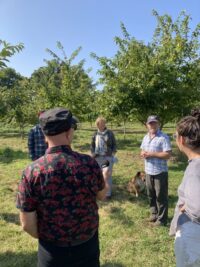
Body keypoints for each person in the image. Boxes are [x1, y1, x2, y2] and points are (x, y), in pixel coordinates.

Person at [16, 107, 109, 267]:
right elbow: (101, 195)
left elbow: (27, 225)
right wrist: (105, 176)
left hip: (51, 252)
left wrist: (51, 238)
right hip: (87, 247)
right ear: (69, 132)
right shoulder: (89, 163)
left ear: (45, 135)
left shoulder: (32, 171)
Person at [170, 109, 200, 267]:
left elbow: (197, 208)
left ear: (181, 140)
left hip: (192, 237)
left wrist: (183, 208)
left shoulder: (195, 168)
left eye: (175, 136)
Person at [140, 115, 171, 226]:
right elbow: (142, 150)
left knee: (161, 196)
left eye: (154, 123)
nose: (152, 125)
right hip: (148, 171)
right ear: (147, 125)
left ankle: (162, 220)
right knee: (151, 195)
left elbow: (167, 154)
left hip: (160, 172)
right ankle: (154, 214)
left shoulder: (163, 137)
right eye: (150, 123)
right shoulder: (145, 137)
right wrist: (143, 154)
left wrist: (152, 154)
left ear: (158, 124)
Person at [91, 117, 117, 199]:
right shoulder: (95, 134)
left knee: (107, 174)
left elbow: (114, 145)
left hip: (107, 157)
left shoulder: (109, 133)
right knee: (99, 175)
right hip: (97, 157)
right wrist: (93, 154)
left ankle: (107, 194)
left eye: (103, 123)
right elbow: (92, 146)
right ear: (97, 124)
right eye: (99, 123)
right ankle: (99, 193)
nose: (102, 125)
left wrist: (112, 154)